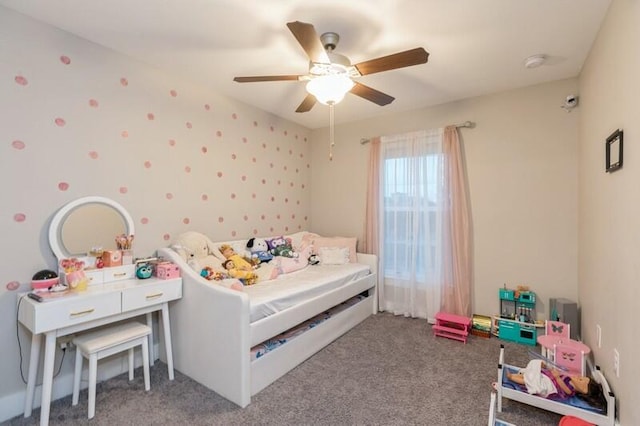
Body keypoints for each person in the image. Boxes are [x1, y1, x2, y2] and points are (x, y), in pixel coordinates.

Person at [506, 359, 605, 409]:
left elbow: (562, 386)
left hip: (549, 386)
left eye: (580, 380)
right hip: (549, 379)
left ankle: (511, 377)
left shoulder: (571, 390)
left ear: (583, 391)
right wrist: (553, 371)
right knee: (532, 373)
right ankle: (518, 376)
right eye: (581, 377)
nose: (578, 377)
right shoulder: (570, 378)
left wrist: (557, 377)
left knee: (531, 380)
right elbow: (560, 375)